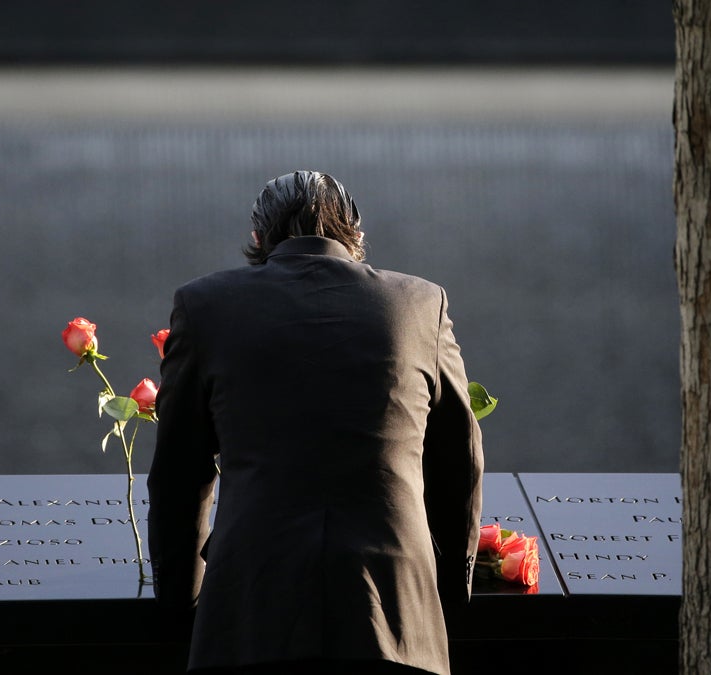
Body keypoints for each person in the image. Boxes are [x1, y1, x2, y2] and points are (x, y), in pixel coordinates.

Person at [147, 171, 484, 675]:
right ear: (357, 235)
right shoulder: (420, 305)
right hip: (395, 617)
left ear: (259, 237)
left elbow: (178, 474)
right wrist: (450, 592)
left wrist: (182, 605)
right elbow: (458, 461)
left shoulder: (205, 306)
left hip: (251, 613)